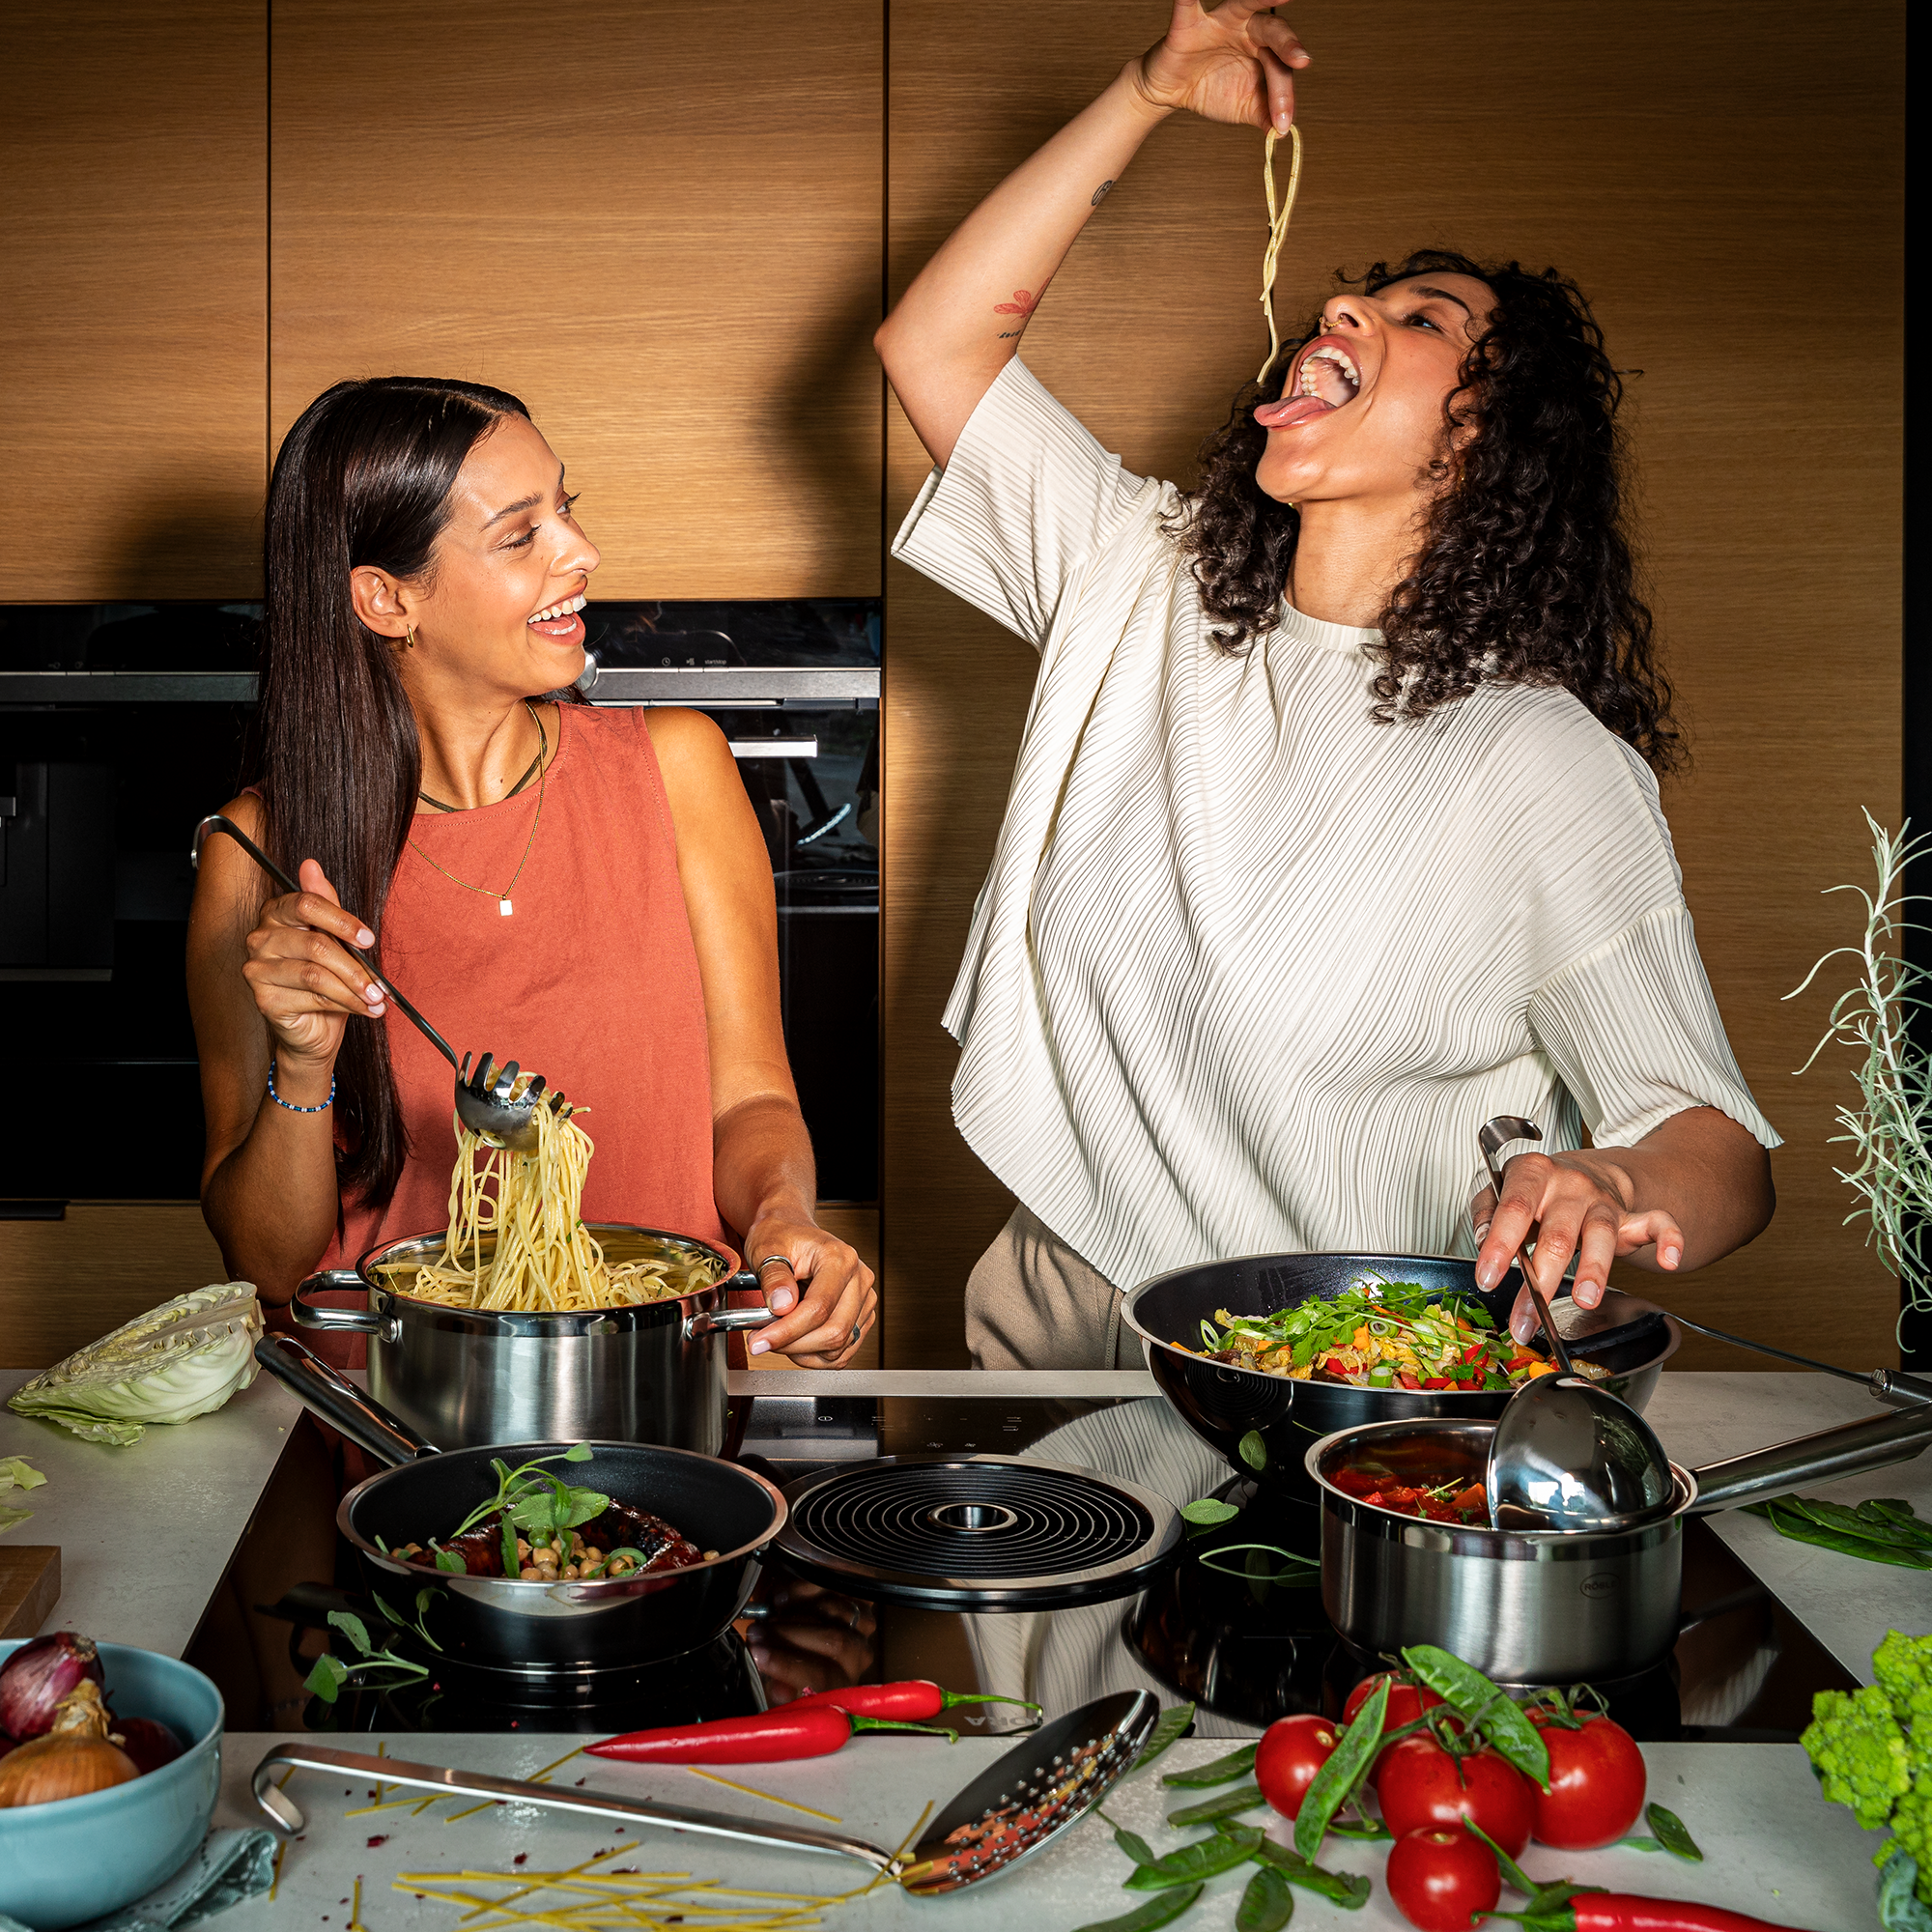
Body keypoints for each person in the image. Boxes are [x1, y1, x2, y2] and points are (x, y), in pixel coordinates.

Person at [875, 0, 1777, 1368]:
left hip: (1355, 1366)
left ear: (1493, 447)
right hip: (1068, 1301)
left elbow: (1719, 1148)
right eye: (1356, 293)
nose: (1341, 306)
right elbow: (933, 346)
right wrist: (1150, 87)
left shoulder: (1538, 759)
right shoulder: (1144, 578)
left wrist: (1616, 1185)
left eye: (1423, 319)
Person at [187, 377, 875, 1369]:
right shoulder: (259, 857)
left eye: (566, 507)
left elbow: (750, 1100)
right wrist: (303, 1065)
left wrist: (779, 1222)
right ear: (387, 599)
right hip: (394, 1414)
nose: (580, 552)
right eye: (521, 535)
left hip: (657, 1384)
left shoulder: (676, 768)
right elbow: (268, 1264)